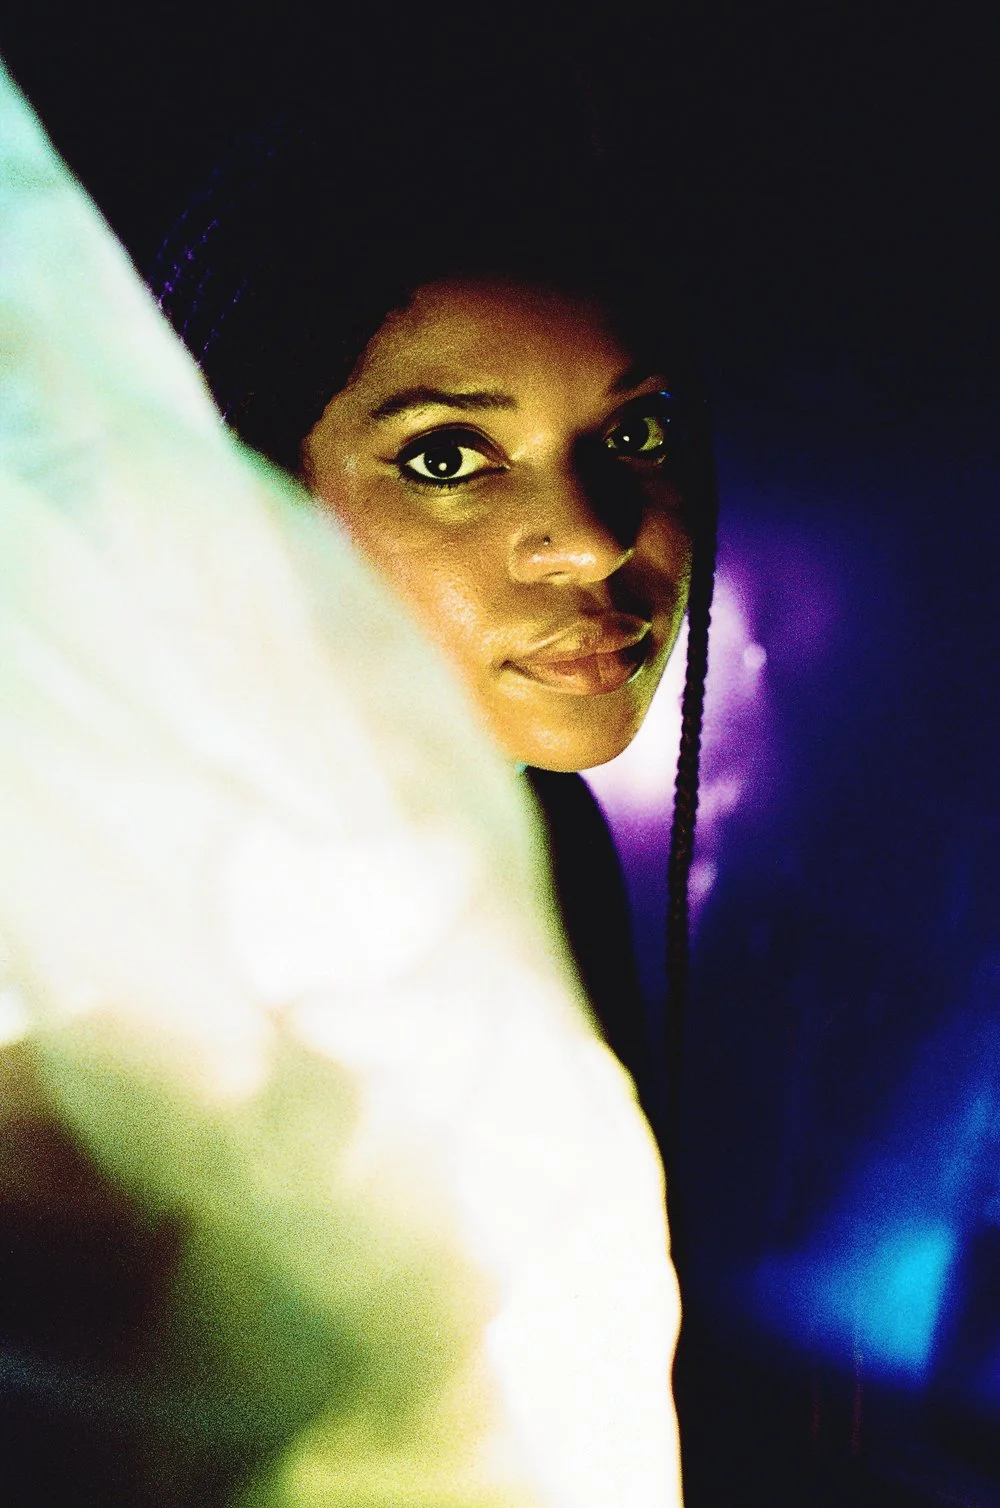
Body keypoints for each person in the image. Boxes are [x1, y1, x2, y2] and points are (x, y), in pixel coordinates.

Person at [153, 49, 718, 1118]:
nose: (592, 540)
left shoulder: (542, 834)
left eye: (636, 433)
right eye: (447, 458)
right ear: (255, 491)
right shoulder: (119, 926)